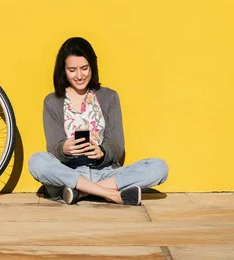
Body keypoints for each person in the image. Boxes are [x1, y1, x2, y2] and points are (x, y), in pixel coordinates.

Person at [28, 37, 168, 205]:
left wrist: (102, 152)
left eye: (84, 68)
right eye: (72, 70)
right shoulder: (52, 101)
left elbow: (117, 144)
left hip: (105, 172)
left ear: (92, 67)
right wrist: (64, 148)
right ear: (63, 71)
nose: (79, 76)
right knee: (37, 161)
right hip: (69, 173)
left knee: (159, 167)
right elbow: (53, 148)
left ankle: (80, 193)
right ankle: (111, 194)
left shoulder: (109, 97)